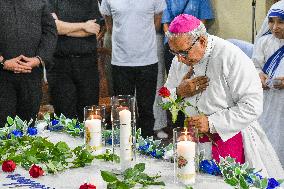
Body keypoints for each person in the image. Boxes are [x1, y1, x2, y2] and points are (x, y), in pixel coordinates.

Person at [164, 14, 284, 177]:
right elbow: (165, 97)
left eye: (184, 53)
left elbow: (253, 106)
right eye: (174, 52)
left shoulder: (231, 56)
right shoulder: (180, 58)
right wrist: (179, 92)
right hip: (193, 139)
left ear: (202, 41)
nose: (179, 59)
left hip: (228, 137)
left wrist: (211, 122)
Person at [100, 0, 166, 138]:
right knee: (123, 110)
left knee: (146, 108)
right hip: (121, 62)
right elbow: (109, 25)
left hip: (147, 60)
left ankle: (147, 144)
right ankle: (124, 145)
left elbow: (157, 22)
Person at [0, 0, 57, 127]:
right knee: (2, 129)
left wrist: (39, 59)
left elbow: (50, 32)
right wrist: (3, 62)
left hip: (31, 76)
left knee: (28, 129)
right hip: (2, 78)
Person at [47, 0, 102, 121]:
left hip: (87, 65)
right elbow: (53, 26)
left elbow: (94, 29)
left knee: (90, 117)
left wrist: (64, 27)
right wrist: (83, 26)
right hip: (59, 66)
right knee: (64, 117)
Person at [252, 1, 284, 167]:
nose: (275, 27)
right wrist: (259, 75)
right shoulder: (264, 42)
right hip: (268, 100)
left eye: (281, 22)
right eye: (271, 21)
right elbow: (255, 64)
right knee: (267, 137)